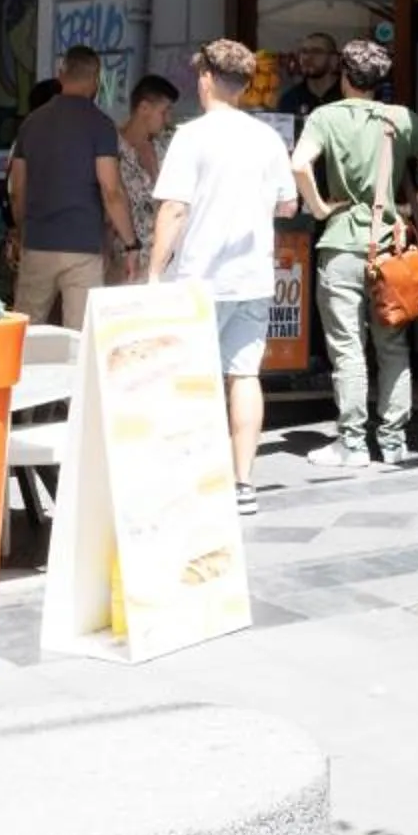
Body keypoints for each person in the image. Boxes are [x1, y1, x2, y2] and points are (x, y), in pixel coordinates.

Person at [148, 39, 297, 519]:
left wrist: (153, 274)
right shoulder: (266, 138)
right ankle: (243, 484)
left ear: (207, 78)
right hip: (253, 274)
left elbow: (173, 207)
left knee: (193, 378)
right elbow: (287, 203)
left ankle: (191, 477)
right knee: (244, 375)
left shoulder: (191, 136)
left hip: (199, 278)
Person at [292, 39, 418, 470]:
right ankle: (394, 440)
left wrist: (320, 207)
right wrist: (409, 205)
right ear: (379, 81)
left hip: (341, 247)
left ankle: (352, 443)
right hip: (391, 249)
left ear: (345, 75)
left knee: (347, 349)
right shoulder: (400, 118)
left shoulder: (325, 117)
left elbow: (298, 165)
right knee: (392, 347)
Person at [6, 46, 133, 328]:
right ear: (95, 79)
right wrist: (130, 243)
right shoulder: (101, 125)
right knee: (80, 336)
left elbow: (17, 189)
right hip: (83, 246)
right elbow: (111, 190)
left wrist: (24, 229)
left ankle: (27, 374)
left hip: (38, 242)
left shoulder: (31, 124)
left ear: (60, 75)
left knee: (28, 332)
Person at [111, 73, 180, 284]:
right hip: (125, 259)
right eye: (164, 111)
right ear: (143, 108)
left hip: (166, 258)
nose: (168, 118)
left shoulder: (166, 145)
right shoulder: (111, 147)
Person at [273, 33, 343, 123]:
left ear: (334, 59)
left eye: (317, 52)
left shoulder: (347, 96)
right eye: (304, 52)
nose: (308, 57)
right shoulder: (290, 99)